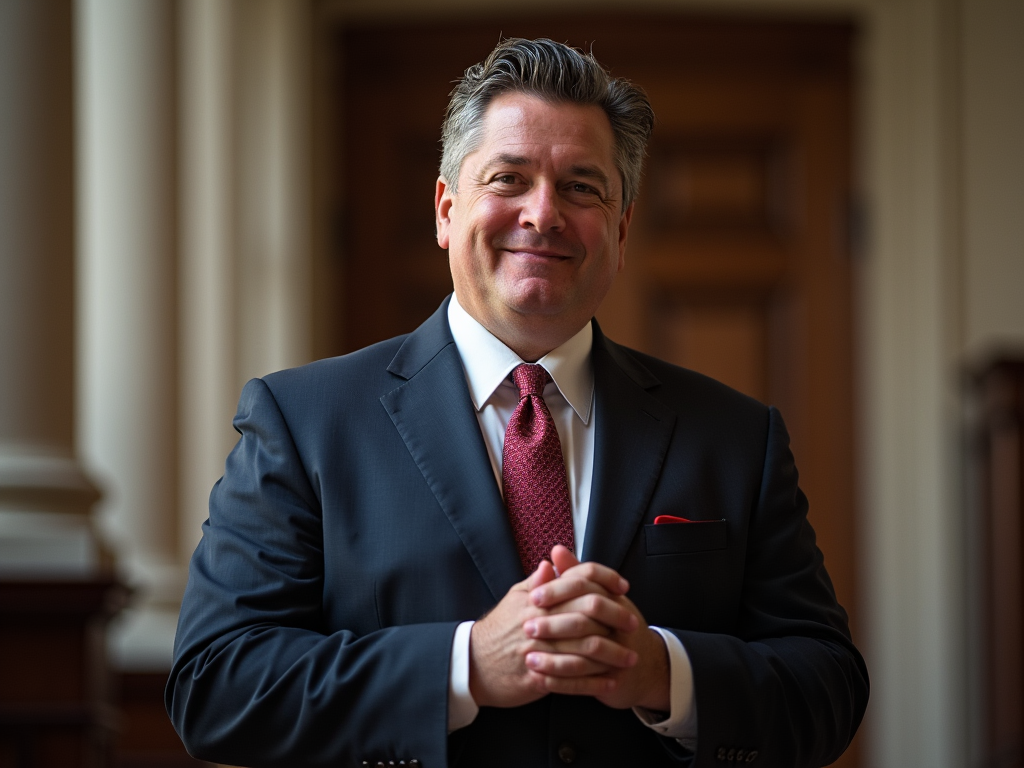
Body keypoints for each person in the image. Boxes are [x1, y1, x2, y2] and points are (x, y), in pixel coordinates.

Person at [166, 38, 868, 768]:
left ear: (621, 229)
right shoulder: (303, 421)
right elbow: (218, 686)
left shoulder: (735, 436)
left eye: (582, 187)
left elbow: (828, 686)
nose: (543, 214)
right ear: (445, 209)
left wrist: (663, 672)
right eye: (509, 178)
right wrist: (464, 666)